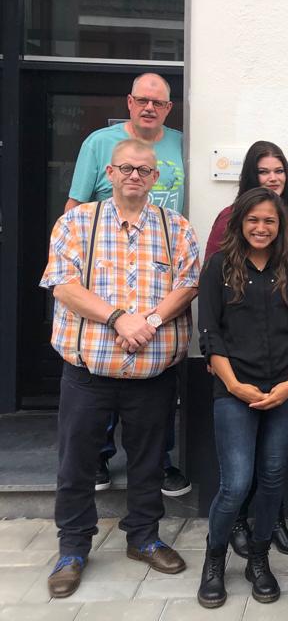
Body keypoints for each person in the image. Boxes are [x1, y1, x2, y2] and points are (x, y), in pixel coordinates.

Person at [40, 138, 199, 599]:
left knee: (148, 462)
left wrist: (148, 322)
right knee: (77, 463)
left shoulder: (176, 228)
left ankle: (143, 538)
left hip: (152, 374)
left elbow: (188, 284)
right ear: (109, 173)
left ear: (155, 178)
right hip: (88, 373)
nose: (134, 176)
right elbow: (63, 285)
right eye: (126, 168)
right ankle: (72, 548)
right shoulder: (76, 222)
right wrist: (118, 319)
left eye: (144, 170)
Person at [64, 72, 189, 497]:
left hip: (157, 271)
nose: (150, 108)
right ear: (129, 103)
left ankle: (160, 464)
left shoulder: (182, 144)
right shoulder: (99, 143)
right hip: (104, 274)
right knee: (102, 366)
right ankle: (99, 457)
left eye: (159, 102)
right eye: (142, 100)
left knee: (153, 381)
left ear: (168, 108)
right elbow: (75, 204)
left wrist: (150, 318)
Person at [205, 140, 288, 557]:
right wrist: (221, 366)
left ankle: (270, 526)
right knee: (239, 472)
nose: (272, 178)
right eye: (263, 171)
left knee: (274, 465)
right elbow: (216, 296)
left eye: (279, 170)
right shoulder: (229, 222)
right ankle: (236, 527)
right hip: (238, 361)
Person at [196, 187, 288, 608]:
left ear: (280, 225)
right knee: (235, 484)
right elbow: (209, 333)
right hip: (235, 390)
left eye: (269, 220)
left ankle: (259, 559)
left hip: (287, 389)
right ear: (239, 223)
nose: (261, 227)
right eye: (253, 220)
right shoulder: (218, 267)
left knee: (271, 479)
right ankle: (214, 559)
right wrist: (234, 385)